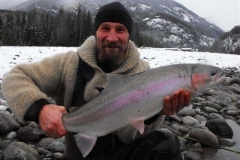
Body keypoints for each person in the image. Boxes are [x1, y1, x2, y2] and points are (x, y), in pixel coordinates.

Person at [2, 2, 190, 160]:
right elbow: (14, 78)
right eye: (105, 28)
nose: (112, 37)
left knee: (167, 142)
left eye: (120, 30)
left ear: (129, 35)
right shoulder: (68, 64)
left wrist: (154, 113)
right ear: (96, 32)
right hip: (77, 156)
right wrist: (40, 109)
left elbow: (131, 136)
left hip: (122, 154)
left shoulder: (144, 74)